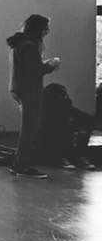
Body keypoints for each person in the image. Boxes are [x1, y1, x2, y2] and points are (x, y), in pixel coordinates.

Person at [6, 13, 60, 178]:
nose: (48, 31)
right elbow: (34, 71)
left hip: (19, 88)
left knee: (29, 126)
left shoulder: (20, 43)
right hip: (28, 90)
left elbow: (28, 68)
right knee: (30, 128)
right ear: (39, 29)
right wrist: (51, 65)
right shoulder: (29, 46)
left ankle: (19, 163)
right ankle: (21, 165)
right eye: (46, 28)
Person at [39, 83, 97, 170]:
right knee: (60, 129)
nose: (66, 97)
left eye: (65, 95)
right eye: (63, 95)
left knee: (82, 127)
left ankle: (78, 157)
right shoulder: (45, 112)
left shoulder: (66, 107)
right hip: (49, 144)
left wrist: (82, 128)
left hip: (66, 136)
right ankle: (60, 158)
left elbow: (87, 119)